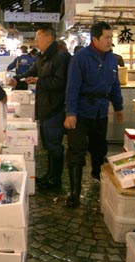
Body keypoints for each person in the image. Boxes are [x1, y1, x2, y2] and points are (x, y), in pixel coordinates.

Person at [64, 21, 124, 208]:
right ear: (95, 39)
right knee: (77, 150)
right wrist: (70, 113)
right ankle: (74, 192)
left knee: (99, 149)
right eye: (107, 37)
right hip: (81, 112)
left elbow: (115, 85)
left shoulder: (112, 58)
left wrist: (119, 106)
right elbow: (72, 87)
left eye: (111, 38)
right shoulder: (80, 58)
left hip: (100, 111)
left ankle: (98, 178)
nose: (109, 41)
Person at [8, 26, 71, 190]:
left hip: (55, 108)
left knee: (55, 145)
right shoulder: (41, 57)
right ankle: (49, 176)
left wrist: (38, 81)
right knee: (48, 145)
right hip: (44, 107)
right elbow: (31, 71)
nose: (35, 41)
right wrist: (17, 78)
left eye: (38, 37)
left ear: (49, 38)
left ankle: (56, 180)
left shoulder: (60, 57)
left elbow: (61, 83)